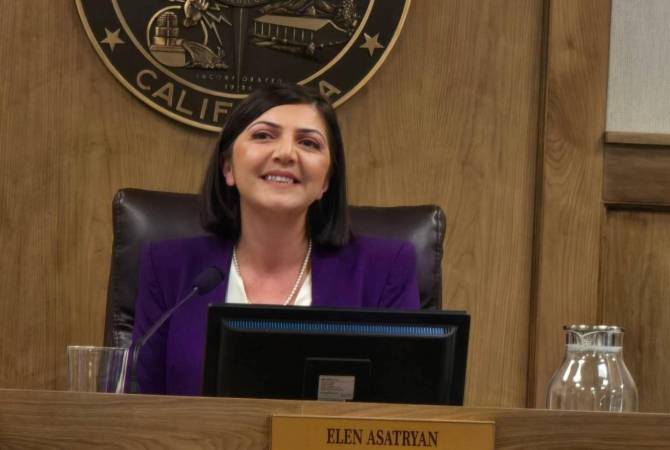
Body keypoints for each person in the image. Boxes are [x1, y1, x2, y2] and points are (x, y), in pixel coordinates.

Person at [132, 84, 420, 395]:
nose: (285, 154)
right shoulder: (168, 268)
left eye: (308, 143)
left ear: (326, 181)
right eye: (263, 136)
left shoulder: (383, 271)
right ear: (228, 168)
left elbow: (403, 407)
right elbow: (140, 406)